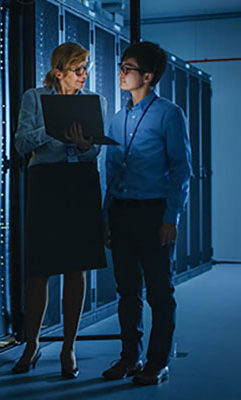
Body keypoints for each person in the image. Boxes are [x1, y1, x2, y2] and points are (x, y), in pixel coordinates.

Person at [12, 42, 107, 378]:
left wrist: (83, 146)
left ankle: (69, 347)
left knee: (76, 267)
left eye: (86, 69)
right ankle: (32, 343)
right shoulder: (34, 97)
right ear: (58, 71)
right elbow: (21, 143)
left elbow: (94, 154)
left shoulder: (95, 102)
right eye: (78, 69)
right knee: (38, 269)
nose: (84, 75)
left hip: (79, 183)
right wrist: (52, 130)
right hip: (46, 184)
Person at [102, 41, 192, 385]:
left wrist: (172, 217)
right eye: (122, 66)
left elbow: (181, 170)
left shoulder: (169, 113)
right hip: (122, 215)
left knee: (159, 293)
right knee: (126, 292)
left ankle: (157, 362)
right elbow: (111, 174)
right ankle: (129, 358)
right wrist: (105, 217)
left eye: (128, 68)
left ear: (149, 76)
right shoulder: (117, 119)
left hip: (154, 214)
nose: (122, 73)